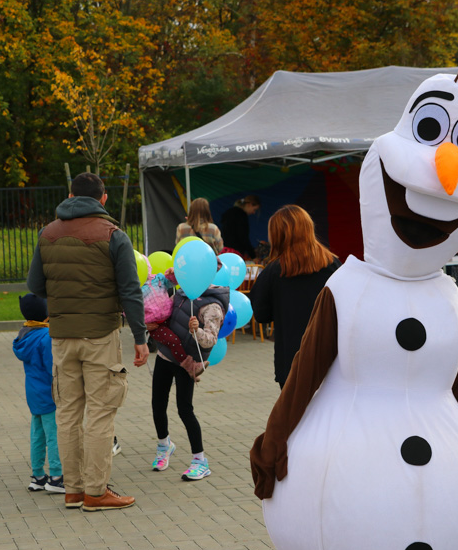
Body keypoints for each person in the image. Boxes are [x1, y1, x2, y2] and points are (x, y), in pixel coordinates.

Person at [27, 172, 149, 512]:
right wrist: (141, 338)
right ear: (104, 199)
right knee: (100, 413)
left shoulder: (47, 234)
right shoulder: (114, 236)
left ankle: (72, 491)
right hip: (101, 336)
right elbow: (130, 291)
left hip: (62, 338)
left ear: (69, 195)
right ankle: (96, 492)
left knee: (67, 413)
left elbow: (35, 285)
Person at [146, 269, 228, 481]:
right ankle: (164, 446)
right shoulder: (182, 293)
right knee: (157, 404)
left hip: (186, 362)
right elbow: (166, 315)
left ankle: (200, 461)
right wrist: (152, 323)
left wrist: (196, 331)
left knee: (185, 409)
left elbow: (210, 340)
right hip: (165, 355)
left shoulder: (212, 306)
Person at [249, 205, 341, 388]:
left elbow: (261, 314)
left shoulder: (273, 272)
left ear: (278, 236)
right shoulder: (333, 265)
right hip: (330, 358)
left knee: (295, 416)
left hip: (291, 362)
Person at [12, 294, 64, 494]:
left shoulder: (24, 335)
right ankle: (57, 476)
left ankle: (37, 476)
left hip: (33, 393)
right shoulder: (46, 336)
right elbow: (53, 367)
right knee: (54, 435)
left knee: (37, 434)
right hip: (49, 394)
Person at [221, 194, 260, 259]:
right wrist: (253, 255)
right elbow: (243, 237)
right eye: (254, 209)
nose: (254, 212)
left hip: (225, 251)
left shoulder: (229, 214)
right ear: (249, 204)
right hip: (236, 253)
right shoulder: (241, 216)